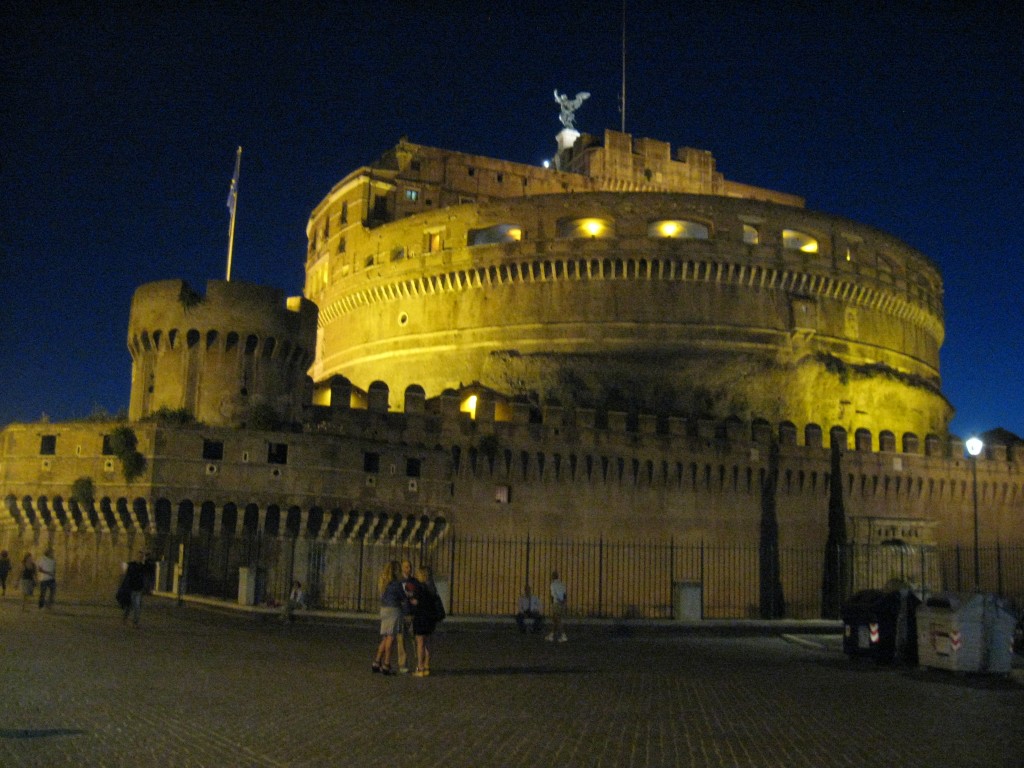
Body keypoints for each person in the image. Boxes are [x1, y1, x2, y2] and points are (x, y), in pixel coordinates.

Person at [371, 560, 404, 675]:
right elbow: (402, 596)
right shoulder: (396, 583)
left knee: (385, 637)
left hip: (384, 609)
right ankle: (386, 664)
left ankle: (376, 661)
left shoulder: (384, 582)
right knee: (391, 637)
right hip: (393, 610)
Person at [410, 565, 441, 677]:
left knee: (420, 643)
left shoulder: (420, 587)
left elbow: (415, 602)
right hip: (430, 618)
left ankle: (420, 667)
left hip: (421, 617)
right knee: (428, 642)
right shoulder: (432, 587)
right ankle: (427, 665)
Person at [396, 558, 420, 673]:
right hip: (401, 613)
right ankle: (402, 664)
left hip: (411, 613)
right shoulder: (398, 582)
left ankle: (418, 662)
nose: (408, 569)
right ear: (402, 568)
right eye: (406, 567)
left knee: (415, 639)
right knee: (401, 640)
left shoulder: (414, 582)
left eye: (409, 567)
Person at [120, 552, 147, 627]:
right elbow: (126, 572)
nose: (140, 558)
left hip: (138, 589)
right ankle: (125, 619)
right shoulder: (132, 565)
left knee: (137, 606)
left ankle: (135, 622)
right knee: (129, 606)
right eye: (140, 556)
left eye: (142, 557)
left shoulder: (142, 566)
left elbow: (144, 577)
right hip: (131, 588)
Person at [547, 570, 567, 642]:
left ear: (553, 577)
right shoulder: (562, 584)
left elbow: (553, 595)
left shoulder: (552, 585)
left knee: (557, 620)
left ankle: (563, 635)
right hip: (561, 604)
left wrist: (553, 603)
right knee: (556, 619)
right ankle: (552, 635)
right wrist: (563, 602)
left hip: (556, 603)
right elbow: (564, 595)